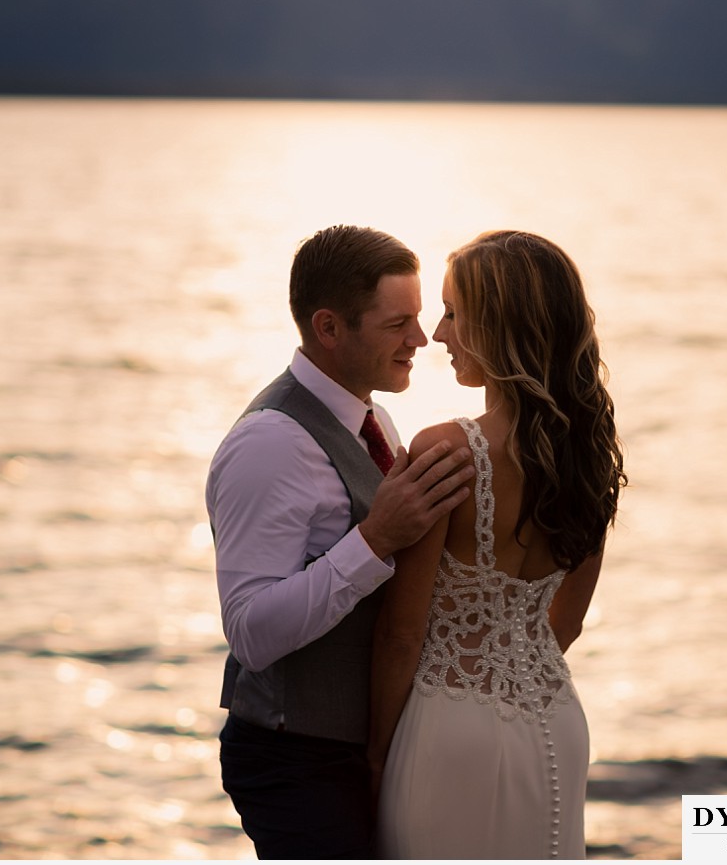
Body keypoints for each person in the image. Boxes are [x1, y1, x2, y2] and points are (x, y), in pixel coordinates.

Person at [206, 225, 475, 860]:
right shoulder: (268, 443)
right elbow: (250, 632)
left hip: (371, 748)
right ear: (329, 328)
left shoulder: (374, 418)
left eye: (420, 318)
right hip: (296, 759)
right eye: (397, 324)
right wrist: (375, 539)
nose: (420, 340)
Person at [369, 229, 627, 860]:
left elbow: (401, 636)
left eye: (455, 313)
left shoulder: (444, 451)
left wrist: (374, 754)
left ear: (500, 326)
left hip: (449, 726)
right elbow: (566, 621)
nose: (437, 333)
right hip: (557, 719)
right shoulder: (590, 457)